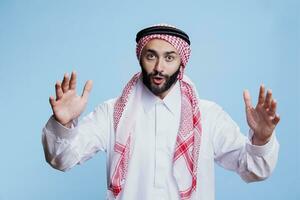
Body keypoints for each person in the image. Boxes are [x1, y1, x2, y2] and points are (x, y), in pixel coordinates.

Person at [42, 24, 280, 200]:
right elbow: (62, 159)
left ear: (181, 62)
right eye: (151, 56)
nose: (159, 67)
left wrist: (262, 138)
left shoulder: (208, 116)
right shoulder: (113, 112)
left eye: (169, 57)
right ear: (140, 58)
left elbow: (253, 170)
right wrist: (61, 124)